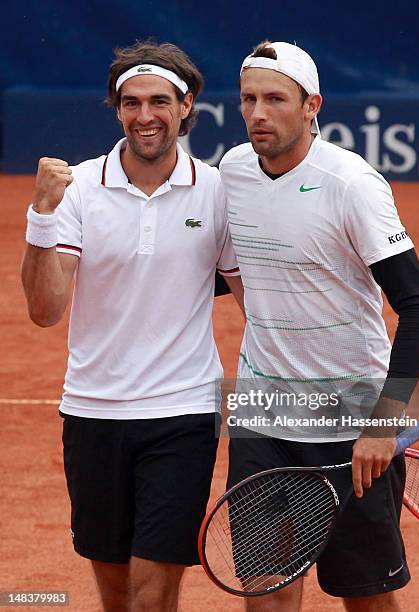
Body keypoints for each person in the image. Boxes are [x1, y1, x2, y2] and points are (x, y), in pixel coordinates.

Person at [21, 39, 243, 612]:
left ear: (187, 105)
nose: (145, 116)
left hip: (182, 413)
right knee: (116, 593)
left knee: (151, 593)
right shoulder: (78, 190)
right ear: (117, 109)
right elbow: (45, 310)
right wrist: (41, 216)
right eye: (132, 103)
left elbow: (256, 302)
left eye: (159, 102)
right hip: (92, 412)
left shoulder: (218, 191)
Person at [219, 41, 419, 612]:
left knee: (364, 599)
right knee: (265, 592)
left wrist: (383, 423)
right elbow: (231, 268)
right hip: (263, 419)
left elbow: (418, 307)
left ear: (312, 104)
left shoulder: (351, 185)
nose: (258, 114)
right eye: (248, 99)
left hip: (349, 420)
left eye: (275, 99)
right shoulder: (234, 171)